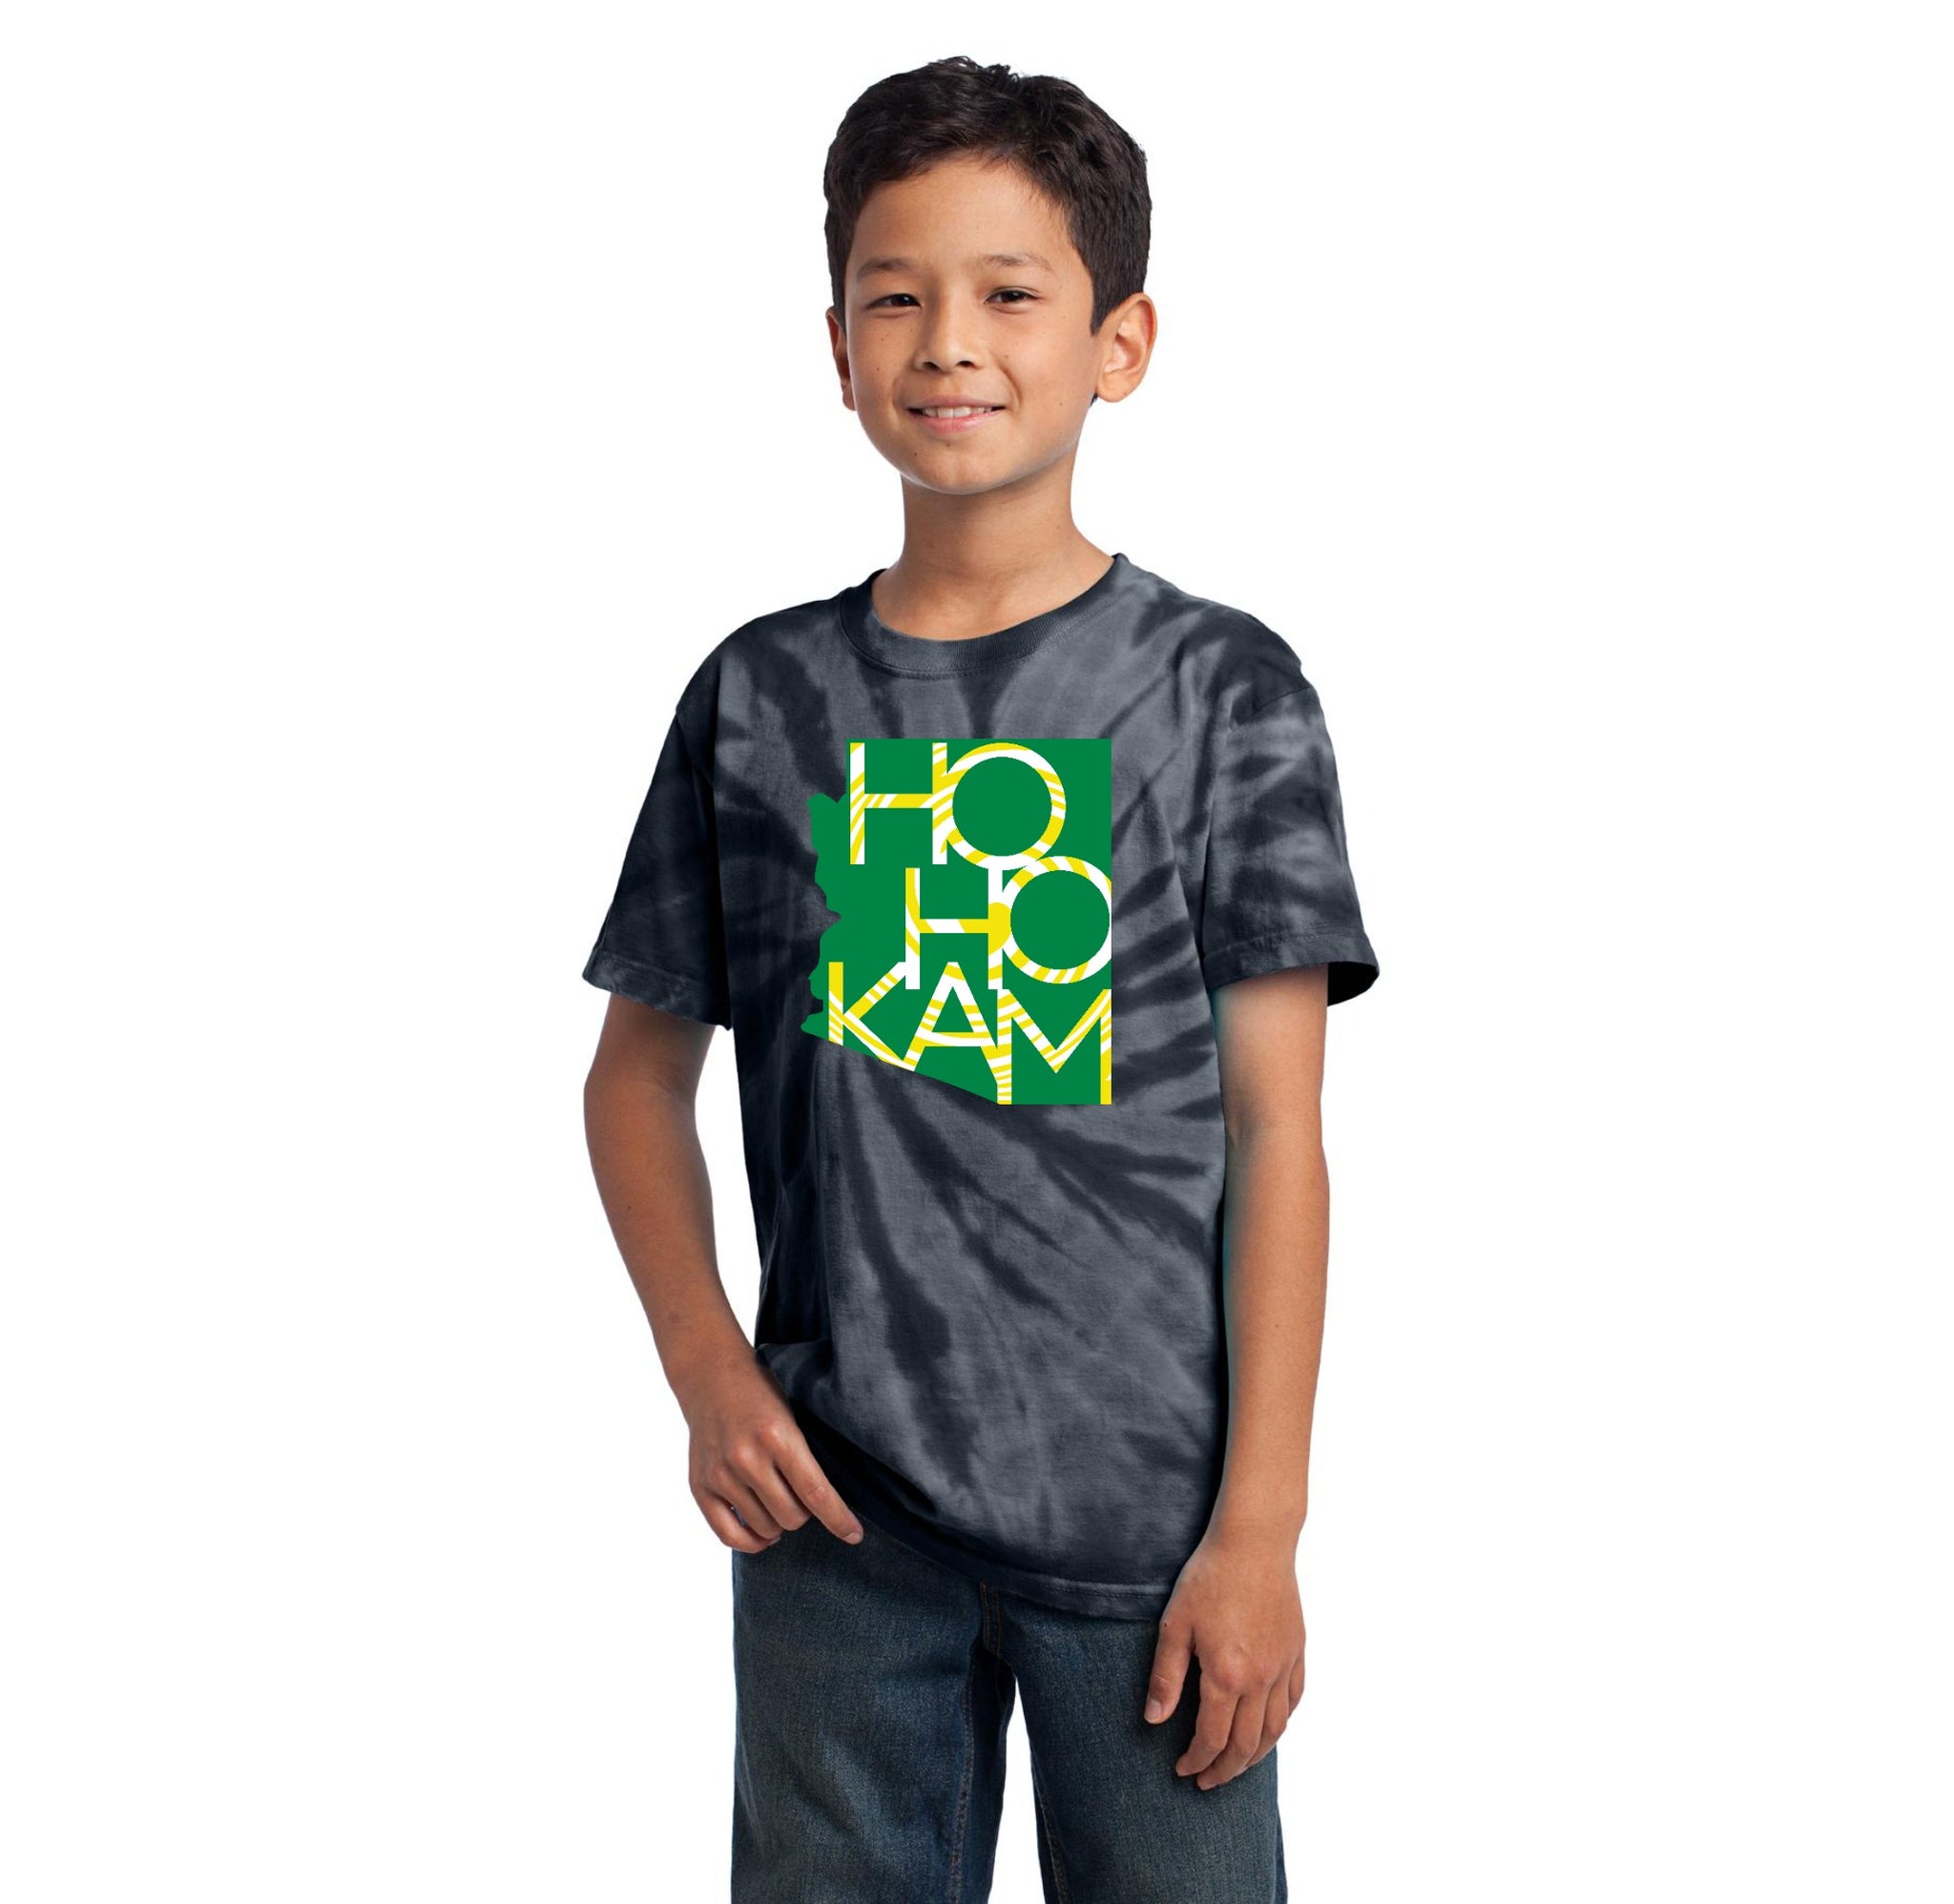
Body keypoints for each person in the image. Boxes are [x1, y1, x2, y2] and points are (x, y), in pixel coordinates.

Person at [580, 53, 1381, 1904]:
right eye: (896, 296)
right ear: (837, 343)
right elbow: (634, 1076)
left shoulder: (1223, 694)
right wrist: (706, 1370)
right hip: (837, 1519)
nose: (948, 341)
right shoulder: (758, 698)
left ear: (1120, 341)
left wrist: (1261, 1525)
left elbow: (1278, 1129)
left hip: (1149, 1534)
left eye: (1010, 292)